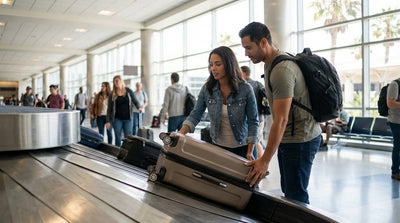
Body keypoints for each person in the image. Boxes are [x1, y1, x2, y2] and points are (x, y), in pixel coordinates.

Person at [239, 22, 321, 204]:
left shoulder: (281, 70)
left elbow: (281, 119)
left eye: (248, 47)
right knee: (290, 192)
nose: (246, 53)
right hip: (291, 137)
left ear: (262, 42)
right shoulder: (271, 65)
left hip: (301, 139)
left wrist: (265, 160)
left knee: (296, 196)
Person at [178, 46, 259, 160]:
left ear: (229, 64)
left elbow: (253, 121)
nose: (213, 68)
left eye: (218, 64)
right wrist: (180, 134)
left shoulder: (245, 89)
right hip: (219, 147)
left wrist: (250, 151)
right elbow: (196, 114)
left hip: (244, 148)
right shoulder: (207, 89)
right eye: (211, 65)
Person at [106, 75, 140, 147]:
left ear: (121, 81)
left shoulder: (128, 91)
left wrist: (139, 108)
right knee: (118, 137)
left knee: (128, 137)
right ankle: (117, 152)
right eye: (114, 81)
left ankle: (127, 151)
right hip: (117, 119)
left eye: (117, 81)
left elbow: (135, 101)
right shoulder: (112, 94)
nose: (115, 83)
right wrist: (108, 121)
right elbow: (109, 108)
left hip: (128, 119)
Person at [241, 65, 267, 158]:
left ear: (244, 73)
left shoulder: (244, 85)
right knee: (256, 141)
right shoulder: (258, 84)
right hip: (260, 118)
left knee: (255, 142)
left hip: (249, 120)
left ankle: (261, 162)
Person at [387, 78, 400, 180]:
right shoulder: (395, 84)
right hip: (396, 121)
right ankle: (395, 171)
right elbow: (390, 103)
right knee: (398, 146)